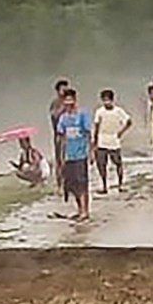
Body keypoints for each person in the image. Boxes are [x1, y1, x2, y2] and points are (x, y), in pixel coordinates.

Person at [55, 88, 94, 221]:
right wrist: (60, 157)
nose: (68, 105)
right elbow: (61, 137)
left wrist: (91, 151)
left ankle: (85, 210)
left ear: (75, 100)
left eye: (70, 102)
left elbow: (88, 134)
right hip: (69, 155)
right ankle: (79, 209)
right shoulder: (63, 118)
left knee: (82, 183)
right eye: (66, 102)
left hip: (81, 154)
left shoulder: (82, 115)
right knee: (72, 185)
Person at [92, 89, 133, 194]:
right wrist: (94, 142)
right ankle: (104, 185)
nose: (106, 102)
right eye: (104, 100)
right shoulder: (99, 112)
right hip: (102, 140)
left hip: (114, 140)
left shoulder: (118, 111)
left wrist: (121, 132)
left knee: (118, 163)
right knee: (102, 165)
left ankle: (120, 185)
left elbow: (129, 121)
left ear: (112, 100)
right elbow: (96, 127)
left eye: (108, 100)